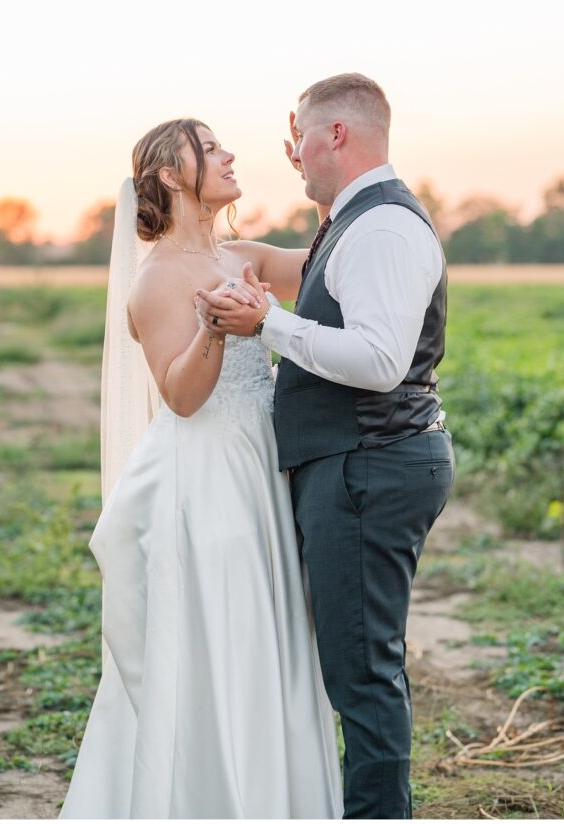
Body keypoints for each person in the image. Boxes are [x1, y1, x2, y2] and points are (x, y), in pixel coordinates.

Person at [58, 118, 343, 819]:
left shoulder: (239, 253)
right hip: (207, 478)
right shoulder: (155, 282)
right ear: (168, 175)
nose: (228, 154)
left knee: (273, 631)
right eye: (210, 147)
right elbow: (181, 398)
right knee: (226, 635)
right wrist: (217, 328)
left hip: (262, 468)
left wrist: (327, 187)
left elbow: (327, 266)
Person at [196, 73, 456, 820]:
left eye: (300, 136)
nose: (291, 152)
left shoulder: (380, 227)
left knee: (363, 673)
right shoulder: (352, 219)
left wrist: (266, 323)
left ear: (334, 134)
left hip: (368, 466)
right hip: (357, 464)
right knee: (358, 662)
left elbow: (377, 363)